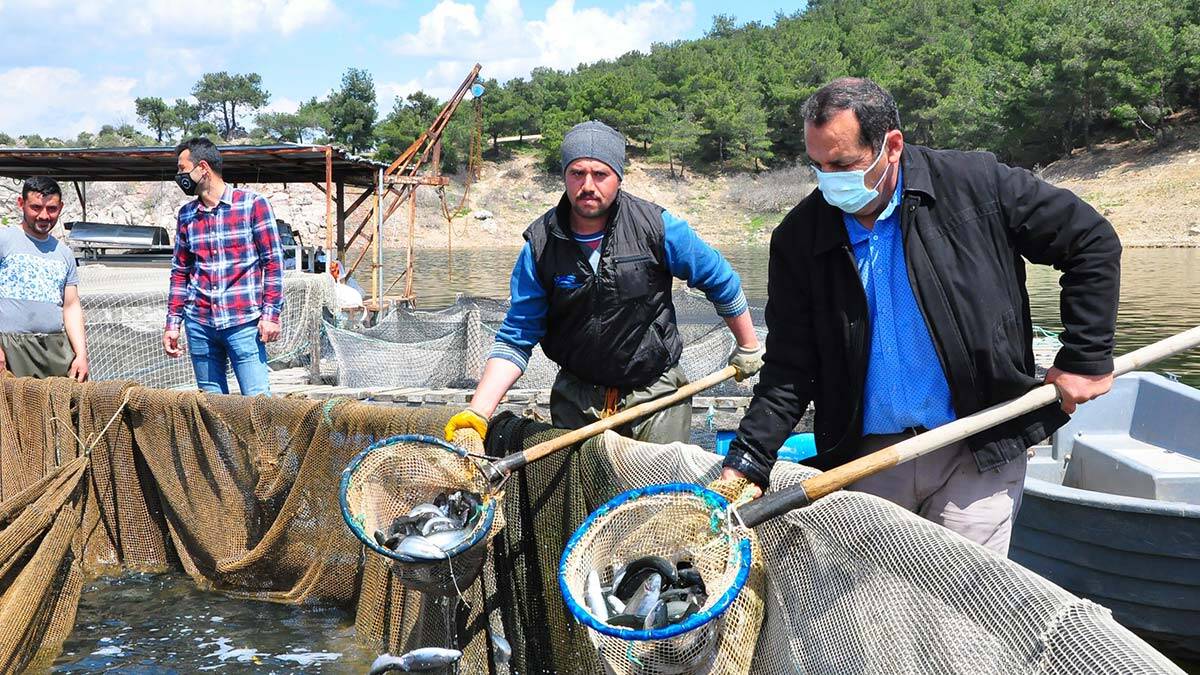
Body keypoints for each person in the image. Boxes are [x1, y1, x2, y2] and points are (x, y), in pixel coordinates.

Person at [720, 78, 1121, 555]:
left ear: (891, 145)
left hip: (977, 445)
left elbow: (1090, 242)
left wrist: (1086, 356)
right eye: (818, 166)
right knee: (874, 611)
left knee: (963, 607)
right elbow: (789, 366)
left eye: (843, 164)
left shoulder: (976, 185)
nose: (829, 180)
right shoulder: (799, 238)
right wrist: (749, 458)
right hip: (868, 459)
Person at [445, 120, 764, 444]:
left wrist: (748, 346)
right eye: (577, 173)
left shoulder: (657, 227)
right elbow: (516, 337)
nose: (588, 185)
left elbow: (721, 280)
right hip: (578, 398)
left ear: (618, 178)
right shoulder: (540, 247)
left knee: (655, 493)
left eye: (600, 174)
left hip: (655, 395)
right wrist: (477, 413)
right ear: (564, 176)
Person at [163, 137, 284, 396]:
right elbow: (180, 272)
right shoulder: (186, 215)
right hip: (200, 324)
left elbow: (272, 263)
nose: (179, 176)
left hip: (242, 322)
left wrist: (270, 316)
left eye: (183, 169)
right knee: (211, 409)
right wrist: (173, 324)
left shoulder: (252, 205)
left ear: (203, 168)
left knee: (257, 403)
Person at [0, 177, 89, 381]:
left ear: (60, 207)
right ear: (21, 204)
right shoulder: (4, 241)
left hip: (54, 349)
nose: (43, 216)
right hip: (11, 348)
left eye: (51, 209)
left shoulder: (64, 253)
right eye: (36, 207)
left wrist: (81, 355)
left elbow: (71, 306)